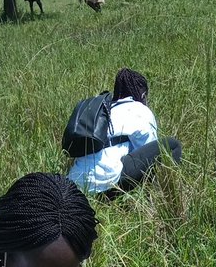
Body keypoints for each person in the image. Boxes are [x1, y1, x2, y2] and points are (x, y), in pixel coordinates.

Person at [68, 68, 182, 196]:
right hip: (106, 183)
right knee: (172, 145)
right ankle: (162, 195)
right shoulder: (140, 110)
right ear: (143, 95)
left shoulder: (105, 109)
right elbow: (148, 152)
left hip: (75, 183)